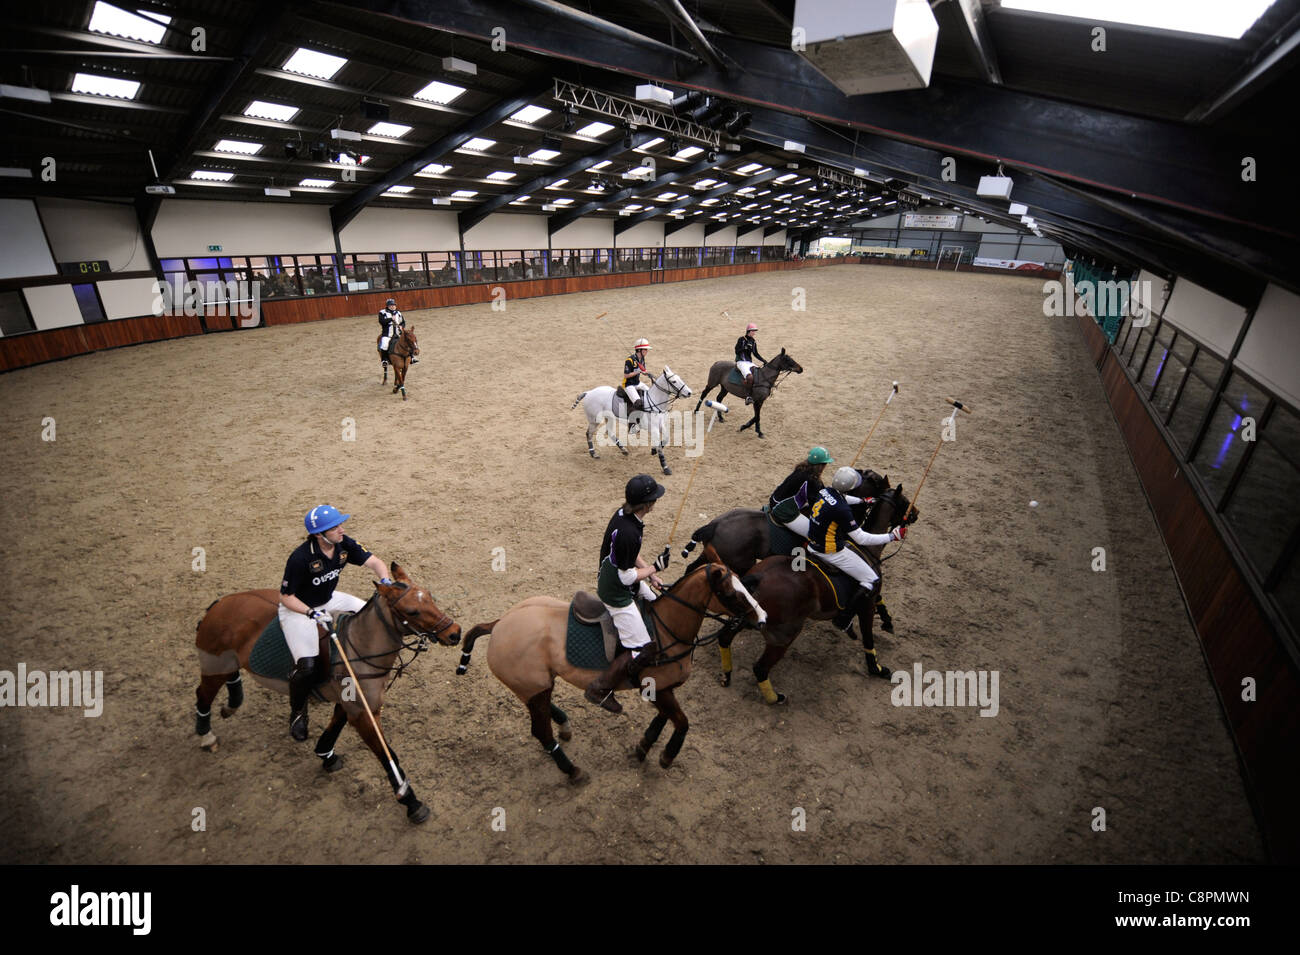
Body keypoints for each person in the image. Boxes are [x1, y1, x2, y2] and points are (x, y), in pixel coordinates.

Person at [279, 505, 395, 740]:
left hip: (329, 598)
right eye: (334, 528)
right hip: (299, 610)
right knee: (307, 666)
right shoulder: (300, 558)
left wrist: (385, 580)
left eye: (340, 525)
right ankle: (298, 712)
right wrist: (311, 613)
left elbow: (375, 562)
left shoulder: (343, 544)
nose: (341, 529)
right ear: (319, 535)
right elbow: (285, 597)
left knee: (372, 617)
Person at [586, 475, 672, 714]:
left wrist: (650, 575)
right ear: (646, 504)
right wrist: (655, 567)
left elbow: (631, 557)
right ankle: (601, 689)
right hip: (616, 592)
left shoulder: (626, 515)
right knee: (643, 647)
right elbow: (625, 577)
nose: (656, 501)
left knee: (658, 603)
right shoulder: (628, 532)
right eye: (654, 498)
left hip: (620, 574)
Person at [806, 467, 906, 633]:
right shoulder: (843, 510)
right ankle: (843, 618)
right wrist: (891, 537)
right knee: (871, 579)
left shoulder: (825, 491)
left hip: (812, 543)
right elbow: (861, 538)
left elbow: (842, 498)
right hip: (829, 552)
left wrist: (862, 501)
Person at [768, 446, 834, 537]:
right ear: (821, 466)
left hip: (776, 500)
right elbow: (816, 504)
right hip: (783, 510)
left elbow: (822, 490)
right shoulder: (810, 479)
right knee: (817, 534)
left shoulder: (803, 469)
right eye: (825, 464)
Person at [618, 338, 652, 417]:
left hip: (637, 383)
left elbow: (643, 370)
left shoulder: (642, 359)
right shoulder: (629, 360)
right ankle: (632, 420)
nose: (647, 351)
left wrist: (646, 373)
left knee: (650, 394)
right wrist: (638, 372)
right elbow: (626, 375)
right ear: (640, 350)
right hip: (628, 385)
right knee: (638, 403)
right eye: (646, 350)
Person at [734, 322, 767, 403]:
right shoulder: (741, 339)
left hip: (749, 362)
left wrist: (764, 361)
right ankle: (748, 396)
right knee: (749, 377)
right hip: (741, 362)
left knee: (758, 374)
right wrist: (744, 347)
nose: (754, 333)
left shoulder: (753, 341)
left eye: (755, 331)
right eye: (753, 331)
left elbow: (755, 353)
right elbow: (736, 351)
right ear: (749, 331)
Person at [377, 298, 417, 365]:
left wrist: (402, 326)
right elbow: (382, 322)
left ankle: (412, 358)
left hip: (398, 334)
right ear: (387, 306)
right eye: (391, 305)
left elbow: (403, 322)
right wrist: (390, 319)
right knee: (384, 345)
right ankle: (384, 360)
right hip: (387, 334)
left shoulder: (398, 313)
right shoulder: (382, 313)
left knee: (408, 342)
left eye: (393, 305)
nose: (392, 306)